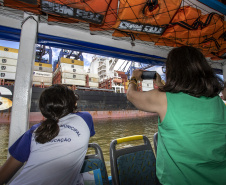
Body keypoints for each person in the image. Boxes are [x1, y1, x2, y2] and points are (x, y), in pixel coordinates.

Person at [127, 46, 226, 185]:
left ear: (174, 72)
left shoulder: (163, 99)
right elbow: (183, 95)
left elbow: (131, 96)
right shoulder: (218, 102)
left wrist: (133, 79)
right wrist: (160, 83)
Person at [0, 84, 95, 185]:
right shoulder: (85, 118)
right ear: (74, 104)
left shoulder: (34, 131)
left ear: (43, 110)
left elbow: (4, 173)